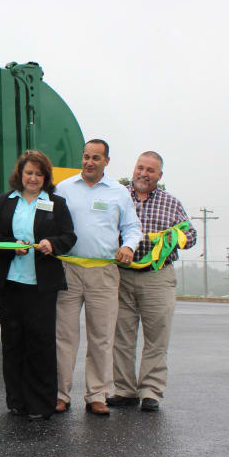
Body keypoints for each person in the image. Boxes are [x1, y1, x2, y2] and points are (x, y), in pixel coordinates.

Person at [0, 150, 76, 420]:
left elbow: (69, 236)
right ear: (20, 175)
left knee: (41, 343)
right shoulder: (5, 201)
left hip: (41, 285)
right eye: (29, 173)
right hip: (10, 283)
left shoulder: (56, 203)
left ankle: (41, 403)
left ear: (45, 177)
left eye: (38, 173)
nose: (33, 178)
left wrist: (52, 244)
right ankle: (17, 400)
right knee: (13, 342)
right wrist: (12, 246)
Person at [54, 139, 142, 415]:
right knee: (64, 335)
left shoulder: (119, 193)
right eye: (86, 157)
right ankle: (60, 394)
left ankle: (97, 395)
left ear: (106, 161)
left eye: (95, 158)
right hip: (67, 270)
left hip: (104, 272)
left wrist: (128, 246)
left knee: (102, 337)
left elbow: (132, 227)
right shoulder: (63, 188)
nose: (89, 162)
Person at [107, 151, 197, 412]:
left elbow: (190, 236)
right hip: (122, 273)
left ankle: (151, 392)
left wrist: (171, 238)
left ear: (159, 175)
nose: (144, 174)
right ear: (134, 168)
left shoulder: (171, 203)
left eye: (150, 170)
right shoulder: (117, 195)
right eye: (140, 168)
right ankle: (124, 390)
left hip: (158, 277)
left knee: (157, 337)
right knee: (121, 335)